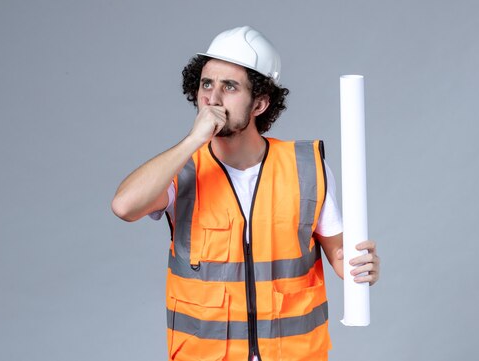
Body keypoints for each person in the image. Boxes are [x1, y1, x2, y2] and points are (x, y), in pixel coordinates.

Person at [111, 26, 380, 361]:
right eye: (206, 83)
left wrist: (360, 266)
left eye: (230, 86)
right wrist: (194, 140)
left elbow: (341, 256)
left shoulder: (306, 169)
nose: (213, 97)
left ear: (260, 103)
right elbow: (124, 206)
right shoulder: (181, 169)